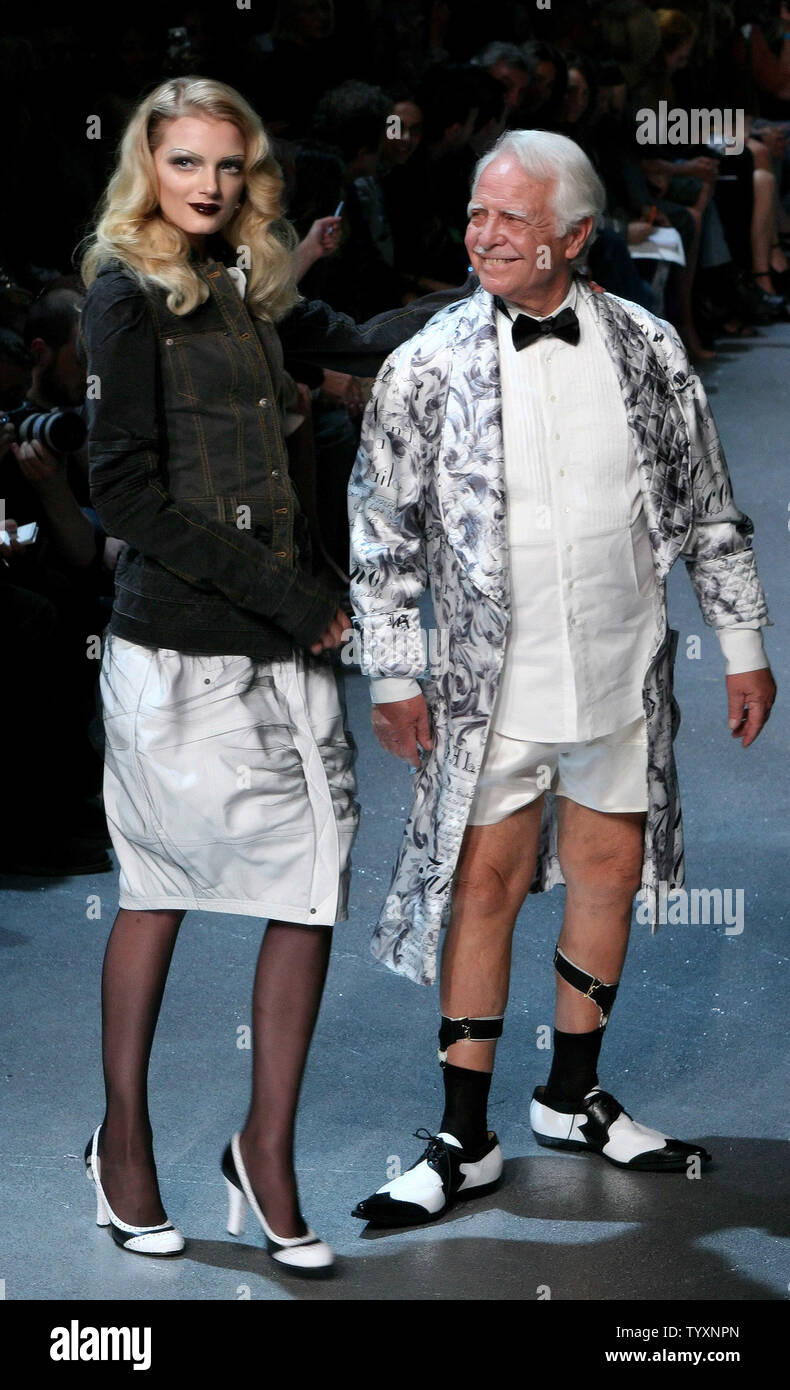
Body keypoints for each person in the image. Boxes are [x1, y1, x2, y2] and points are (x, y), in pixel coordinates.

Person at [348, 129, 775, 1226]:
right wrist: (393, 671)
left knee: (605, 873)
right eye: (477, 215)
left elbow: (707, 506)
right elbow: (380, 533)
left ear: (575, 237)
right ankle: (462, 1133)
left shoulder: (647, 346)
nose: (481, 235)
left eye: (510, 219)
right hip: (491, 689)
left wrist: (740, 646)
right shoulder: (426, 362)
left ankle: (571, 1096)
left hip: (622, 675)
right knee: (482, 887)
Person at [79, 75, 362, 1275]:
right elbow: (123, 494)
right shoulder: (121, 294)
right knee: (159, 889)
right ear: (149, 166)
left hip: (279, 642)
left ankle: (267, 1151)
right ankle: (124, 1145)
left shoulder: (250, 282)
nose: (208, 185)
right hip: (179, 649)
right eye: (186, 162)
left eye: (228, 165)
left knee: (311, 890)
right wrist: (299, 599)